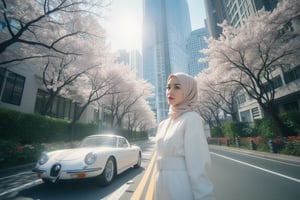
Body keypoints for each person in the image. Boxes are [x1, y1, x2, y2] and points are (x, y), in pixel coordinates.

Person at [154, 72, 215, 200]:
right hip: (161, 186)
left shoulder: (192, 119)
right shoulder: (163, 124)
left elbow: (198, 166)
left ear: (188, 91)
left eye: (177, 87)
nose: (170, 91)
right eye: (168, 87)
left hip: (180, 186)